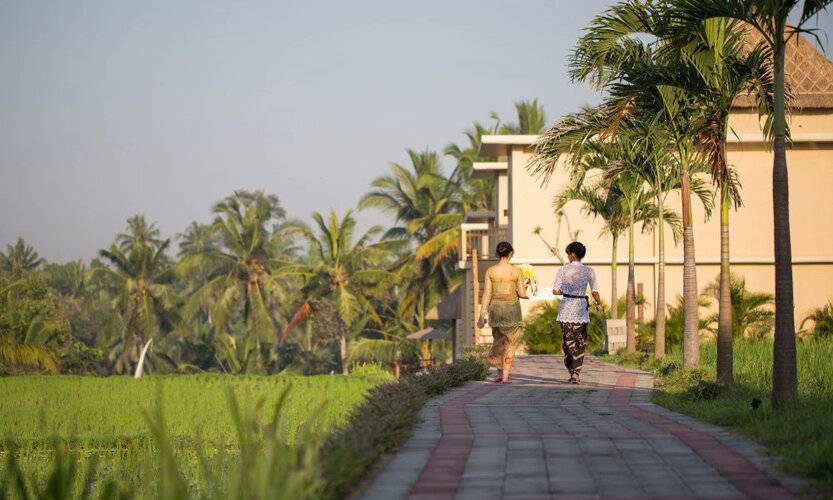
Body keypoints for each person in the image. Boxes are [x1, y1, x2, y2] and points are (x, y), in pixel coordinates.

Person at [551, 241, 602, 384]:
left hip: (566, 308)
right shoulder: (589, 271)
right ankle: (576, 374)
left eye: (568, 253)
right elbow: (595, 291)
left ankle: (572, 371)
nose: (567, 256)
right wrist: (599, 303)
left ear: (572, 254)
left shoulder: (562, 270)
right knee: (580, 341)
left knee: (568, 342)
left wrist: (564, 291)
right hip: (581, 308)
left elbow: (555, 290)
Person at [477, 241, 528, 384]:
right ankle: (505, 376)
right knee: (510, 343)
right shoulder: (516, 271)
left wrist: (482, 315)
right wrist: (527, 289)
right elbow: (522, 294)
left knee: (498, 341)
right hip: (511, 310)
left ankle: (499, 374)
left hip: (496, 310)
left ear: (496, 254)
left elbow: (487, 294)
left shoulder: (491, 271)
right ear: (511, 253)